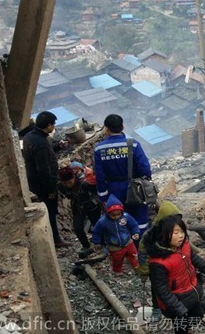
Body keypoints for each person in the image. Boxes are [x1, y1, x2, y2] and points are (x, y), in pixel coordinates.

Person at [146, 215, 205, 334]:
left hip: (192, 291)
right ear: (164, 235)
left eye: (182, 231)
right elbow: (161, 290)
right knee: (181, 325)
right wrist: (177, 307)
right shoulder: (158, 262)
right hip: (177, 300)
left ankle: (188, 329)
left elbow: (195, 259)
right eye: (176, 233)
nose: (181, 235)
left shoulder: (184, 246)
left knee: (197, 316)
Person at [93, 114, 152, 246]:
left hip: (114, 192)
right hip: (135, 188)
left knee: (118, 219)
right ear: (123, 127)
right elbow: (145, 169)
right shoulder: (134, 145)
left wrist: (103, 197)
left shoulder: (99, 149)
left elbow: (100, 176)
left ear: (106, 129)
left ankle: (124, 249)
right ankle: (141, 249)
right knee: (140, 220)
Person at [22, 111, 71, 248]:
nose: (54, 127)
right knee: (50, 212)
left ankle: (53, 238)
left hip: (33, 183)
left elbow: (43, 153)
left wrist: (57, 146)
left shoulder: (29, 136)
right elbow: (43, 169)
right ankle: (55, 239)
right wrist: (50, 189)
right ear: (48, 125)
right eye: (53, 125)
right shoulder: (41, 143)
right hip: (43, 185)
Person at [137, 200, 182, 322]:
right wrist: (145, 271)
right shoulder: (151, 235)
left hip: (174, 267)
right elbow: (143, 253)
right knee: (157, 290)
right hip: (157, 269)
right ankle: (156, 309)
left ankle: (175, 307)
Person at [57, 166, 102, 258]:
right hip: (77, 207)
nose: (68, 185)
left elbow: (99, 192)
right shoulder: (61, 186)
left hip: (92, 206)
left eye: (69, 182)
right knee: (77, 227)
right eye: (65, 183)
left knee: (97, 225)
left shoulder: (86, 183)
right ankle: (86, 246)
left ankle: (103, 244)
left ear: (74, 177)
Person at [91, 194, 140, 273]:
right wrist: (96, 241)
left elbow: (133, 224)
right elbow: (97, 231)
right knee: (117, 260)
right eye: (113, 215)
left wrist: (136, 232)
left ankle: (137, 267)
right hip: (114, 246)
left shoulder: (125, 217)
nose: (117, 217)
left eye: (118, 214)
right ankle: (117, 270)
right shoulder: (103, 221)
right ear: (108, 213)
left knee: (134, 256)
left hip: (128, 242)